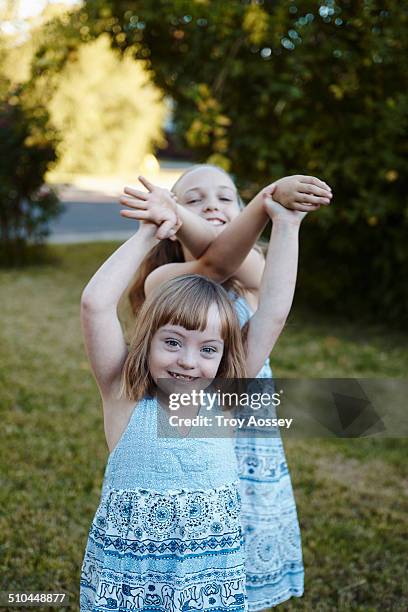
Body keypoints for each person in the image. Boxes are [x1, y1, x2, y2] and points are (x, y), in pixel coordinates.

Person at [79, 191, 309, 611]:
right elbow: (95, 305)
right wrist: (148, 235)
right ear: (146, 340)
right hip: (130, 578)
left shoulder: (222, 397)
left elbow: (273, 311)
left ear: (224, 357)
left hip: (210, 580)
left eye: (207, 349)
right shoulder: (123, 395)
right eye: (172, 342)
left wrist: (287, 226)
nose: (187, 361)